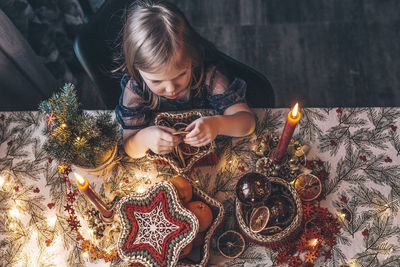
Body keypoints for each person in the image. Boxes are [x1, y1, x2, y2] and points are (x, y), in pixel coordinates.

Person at [115, 0, 256, 159]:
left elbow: (247, 123)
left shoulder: (209, 78)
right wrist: (144, 139)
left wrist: (217, 125)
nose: (171, 89)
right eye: (156, 81)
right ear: (136, 69)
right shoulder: (136, 90)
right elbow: (129, 147)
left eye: (180, 75)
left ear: (193, 58)